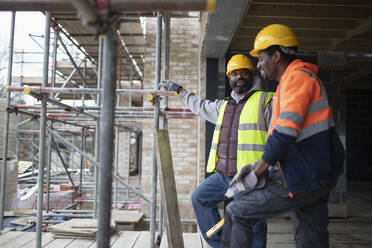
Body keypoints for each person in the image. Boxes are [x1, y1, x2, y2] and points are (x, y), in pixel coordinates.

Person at [221, 24, 345, 248]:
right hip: (313, 173)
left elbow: (285, 132)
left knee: (237, 211)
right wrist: (267, 168)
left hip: (305, 175)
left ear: (276, 56)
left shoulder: (296, 79)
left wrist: (256, 172)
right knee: (311, 237)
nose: (258, 66)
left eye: (260, 59)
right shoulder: (291, 83)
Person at [161, 54, 274, 248]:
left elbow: (280, 137)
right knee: (200, 198)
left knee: (252, 223)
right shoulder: (223, 106)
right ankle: (222, 244)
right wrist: (180, 90)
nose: (239, 77)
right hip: (223, 176)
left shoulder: (265, 101)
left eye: (244, 73)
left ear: (252, 74)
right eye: (235, 73)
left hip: (249, 177)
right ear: (229, 77)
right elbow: (200, 106)